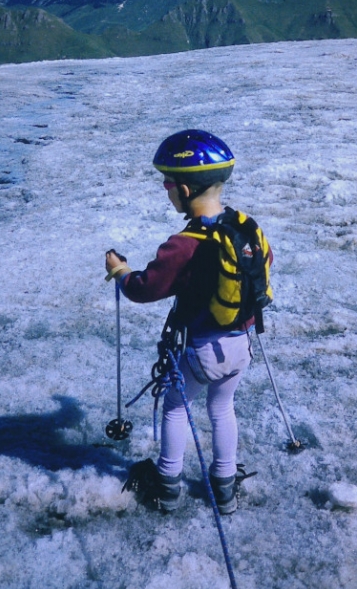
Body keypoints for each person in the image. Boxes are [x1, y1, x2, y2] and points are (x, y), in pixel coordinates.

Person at [105, 129, 272, 514]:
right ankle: (225, 487)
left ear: (184, 188)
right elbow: (264, 265)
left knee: (176, 406)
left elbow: (146, 288)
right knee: (222, 407)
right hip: (241, 343)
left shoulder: (185, 243)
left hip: (203, 348)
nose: (166, 190)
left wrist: (121, 272)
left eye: (167, 183)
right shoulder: (245, 227)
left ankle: (167, 487)